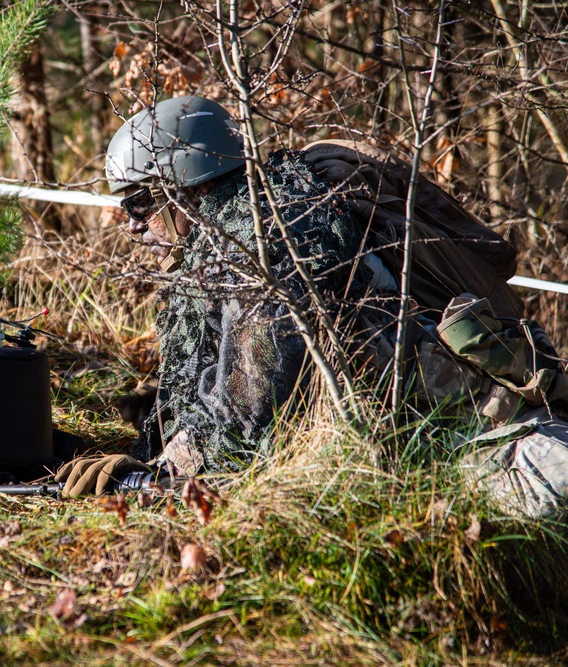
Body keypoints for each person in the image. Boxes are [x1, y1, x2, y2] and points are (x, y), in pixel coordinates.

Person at [55, 95, 568, 519]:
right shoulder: (279, 210)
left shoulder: (267, 243)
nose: (131, 226)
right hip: (469, 442)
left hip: (506, 453)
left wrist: (154, 473)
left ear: (190, 187)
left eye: (140, 205)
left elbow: (246, 413)